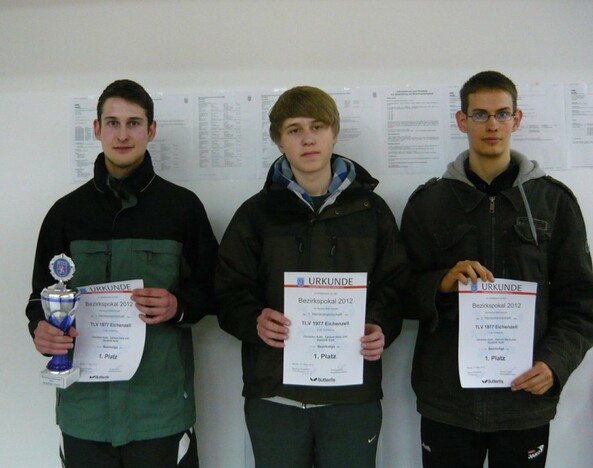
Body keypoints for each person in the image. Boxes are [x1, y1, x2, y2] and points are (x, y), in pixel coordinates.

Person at [400, 70, 593, 467]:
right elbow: (399, 293)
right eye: (480, 114)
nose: (492, 125)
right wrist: (441, 283)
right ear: (462, 120)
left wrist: (555, 364)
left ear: (516, 120)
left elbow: (581, 303)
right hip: (448, 402)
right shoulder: (429, 203)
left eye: (502, 114)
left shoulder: (553, 202)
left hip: (523, 399)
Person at [26, 79, 218, 467]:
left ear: (151, 130)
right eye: (113, 123)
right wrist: (40, 330)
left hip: (158, 410)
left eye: (134, 123)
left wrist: (178, 305)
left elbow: (216, 288)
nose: (123, 134)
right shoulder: (66, 213)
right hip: (85, 413)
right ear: (96, 129)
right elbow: (40, 299)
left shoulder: (182, 208)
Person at [215, 85, 408, 467]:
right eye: (294, 129)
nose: (307, 139)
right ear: (278, 140)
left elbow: (397, 285)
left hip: (352, 394)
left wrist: (380, 326)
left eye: (317, 127)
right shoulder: (256, 214)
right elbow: (227, 290)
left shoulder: (372, 211)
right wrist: (254, 320)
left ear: (334, 133)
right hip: (275, 395)